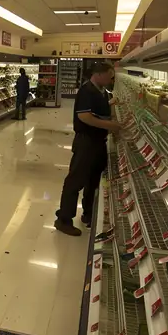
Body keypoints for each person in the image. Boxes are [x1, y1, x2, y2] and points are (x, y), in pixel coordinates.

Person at [55, 61, 121, 236]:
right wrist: (110, 125)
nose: (112, 78)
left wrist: (113, 103)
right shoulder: (87, 90)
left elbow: (100, 107)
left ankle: (88, 213)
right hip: (86, 142)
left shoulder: (100, 91)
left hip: (98, 142)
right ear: (99, 74)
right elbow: (84, 117)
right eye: (110, 75)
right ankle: (63, 219)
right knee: (76, 180)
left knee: (93, 181)